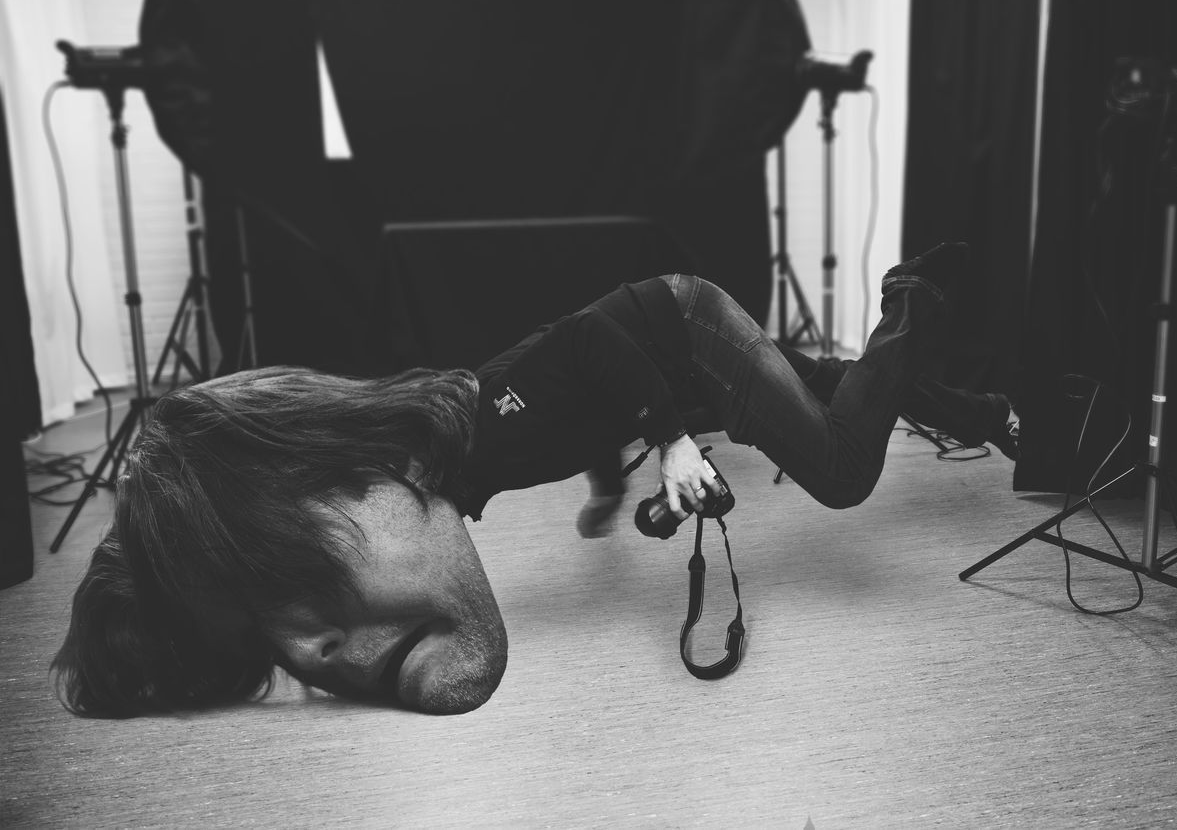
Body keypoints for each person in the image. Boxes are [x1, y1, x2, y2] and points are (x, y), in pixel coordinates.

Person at [53, 242, 1018, 718]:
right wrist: (607, 485)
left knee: (842, 472)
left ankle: (909, 299)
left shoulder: (477, 417)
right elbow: (582, 403)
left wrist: (674, 441)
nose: (314, 651)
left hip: (686, 331)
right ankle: (979, 414)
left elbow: (594, 342)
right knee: (823, 397)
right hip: (675, 357)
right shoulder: (462, 456)